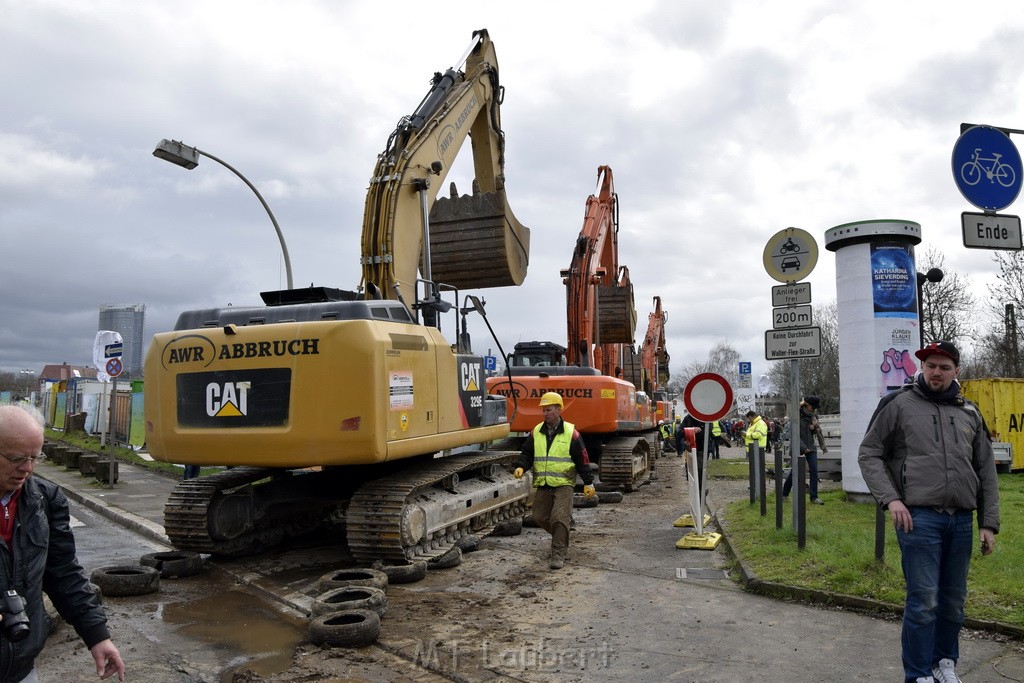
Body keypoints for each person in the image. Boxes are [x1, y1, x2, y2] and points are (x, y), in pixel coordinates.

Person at [859, 341, 1000, 683]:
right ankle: (919, 673)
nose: (936, 371)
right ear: (922, 367)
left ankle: (944, 663)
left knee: (953, 601)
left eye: (944, 366)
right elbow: (869, 453)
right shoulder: (897, 404)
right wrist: (891, 499)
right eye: (931, 365)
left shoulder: (969, 411)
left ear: (956, 371)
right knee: (923, 601)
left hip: (961, 520)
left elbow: (985, 468)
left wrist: (989, 522)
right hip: (918, 518)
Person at [0, 404, 126, 682]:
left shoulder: (46, 500)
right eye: (17, 458)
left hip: (21, 667)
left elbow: (63, 573)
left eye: (35, 457)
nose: (28, 469)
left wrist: (97, 636)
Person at [514, 392, 595, 570]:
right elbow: (527, 453)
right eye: (543, 410)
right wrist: (522, 466)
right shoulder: (536, 432)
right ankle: (562, 534)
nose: (545, 413)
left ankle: (558, 553)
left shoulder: (571, 434)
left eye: (549, 410)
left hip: (564, 484)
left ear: (559, 409)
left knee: (558, 518)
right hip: (544, 483)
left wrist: (588, 482)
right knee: (539, 516)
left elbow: (583, 460)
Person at [782, 396, 824, 504]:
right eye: (813, 407)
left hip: (810, 445)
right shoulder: (796, 415)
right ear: (807, 405)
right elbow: (794, 434)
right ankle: (784, 493)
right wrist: (803, 448)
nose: (814, 410)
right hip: (798, 446)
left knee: (814, 470)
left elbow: (815, 432)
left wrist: (814, 428)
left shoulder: (814, 416)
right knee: (795, 471)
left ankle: (814, 497)